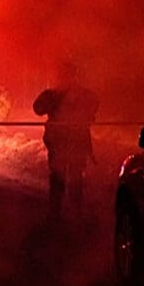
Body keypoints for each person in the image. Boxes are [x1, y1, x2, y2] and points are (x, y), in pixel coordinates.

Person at [32, 62, 99, 223]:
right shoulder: (53, 95)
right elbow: (38, 108)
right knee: (59, 176)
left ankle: (72, 213)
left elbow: (93, 106)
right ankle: (58, 213)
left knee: (74, 177)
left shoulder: (83, 95)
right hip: (59, 143)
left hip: (75, 142)